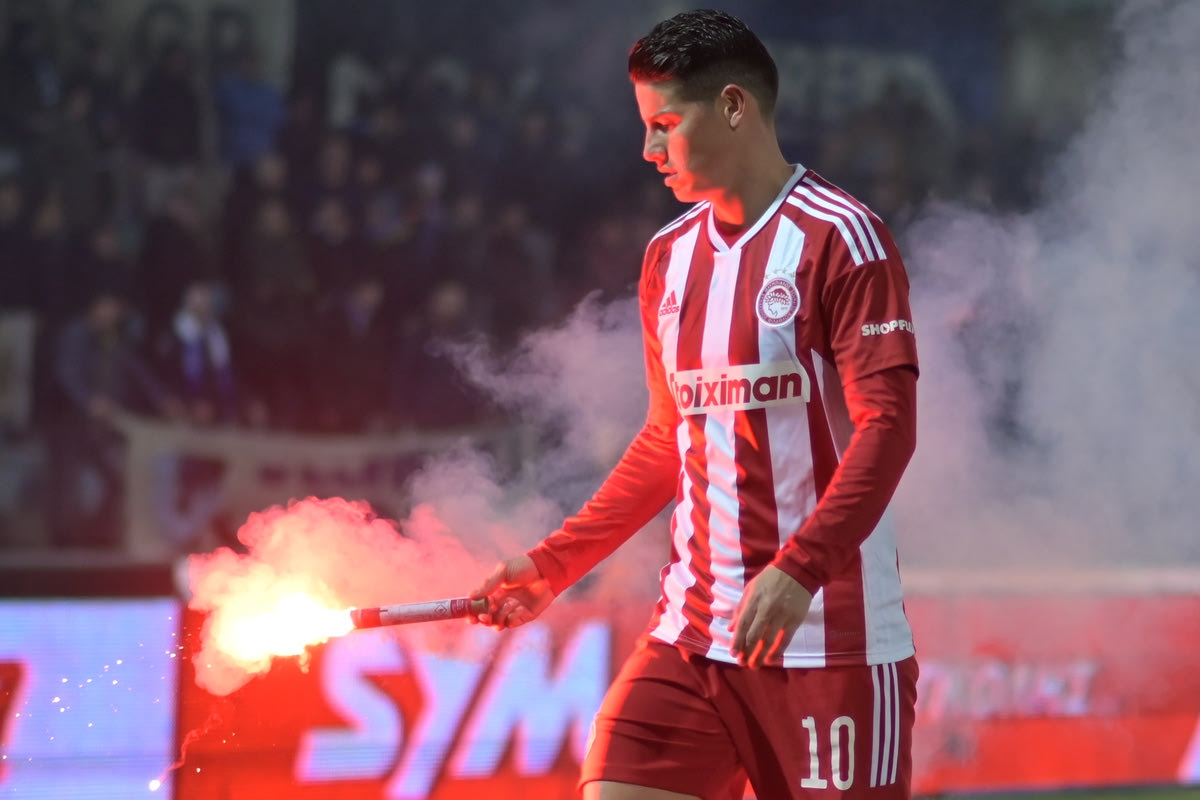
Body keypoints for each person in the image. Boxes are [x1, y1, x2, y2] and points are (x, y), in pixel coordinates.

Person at [470, 10, 920, 800]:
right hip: (692, 637)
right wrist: (554, 564)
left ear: (734, 107)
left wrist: (800, 569)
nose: (648, 150)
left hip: (829, 643)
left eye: (665, 125)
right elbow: (667, 441)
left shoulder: (844, 239)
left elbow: (888, 429)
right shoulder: (667, 258)